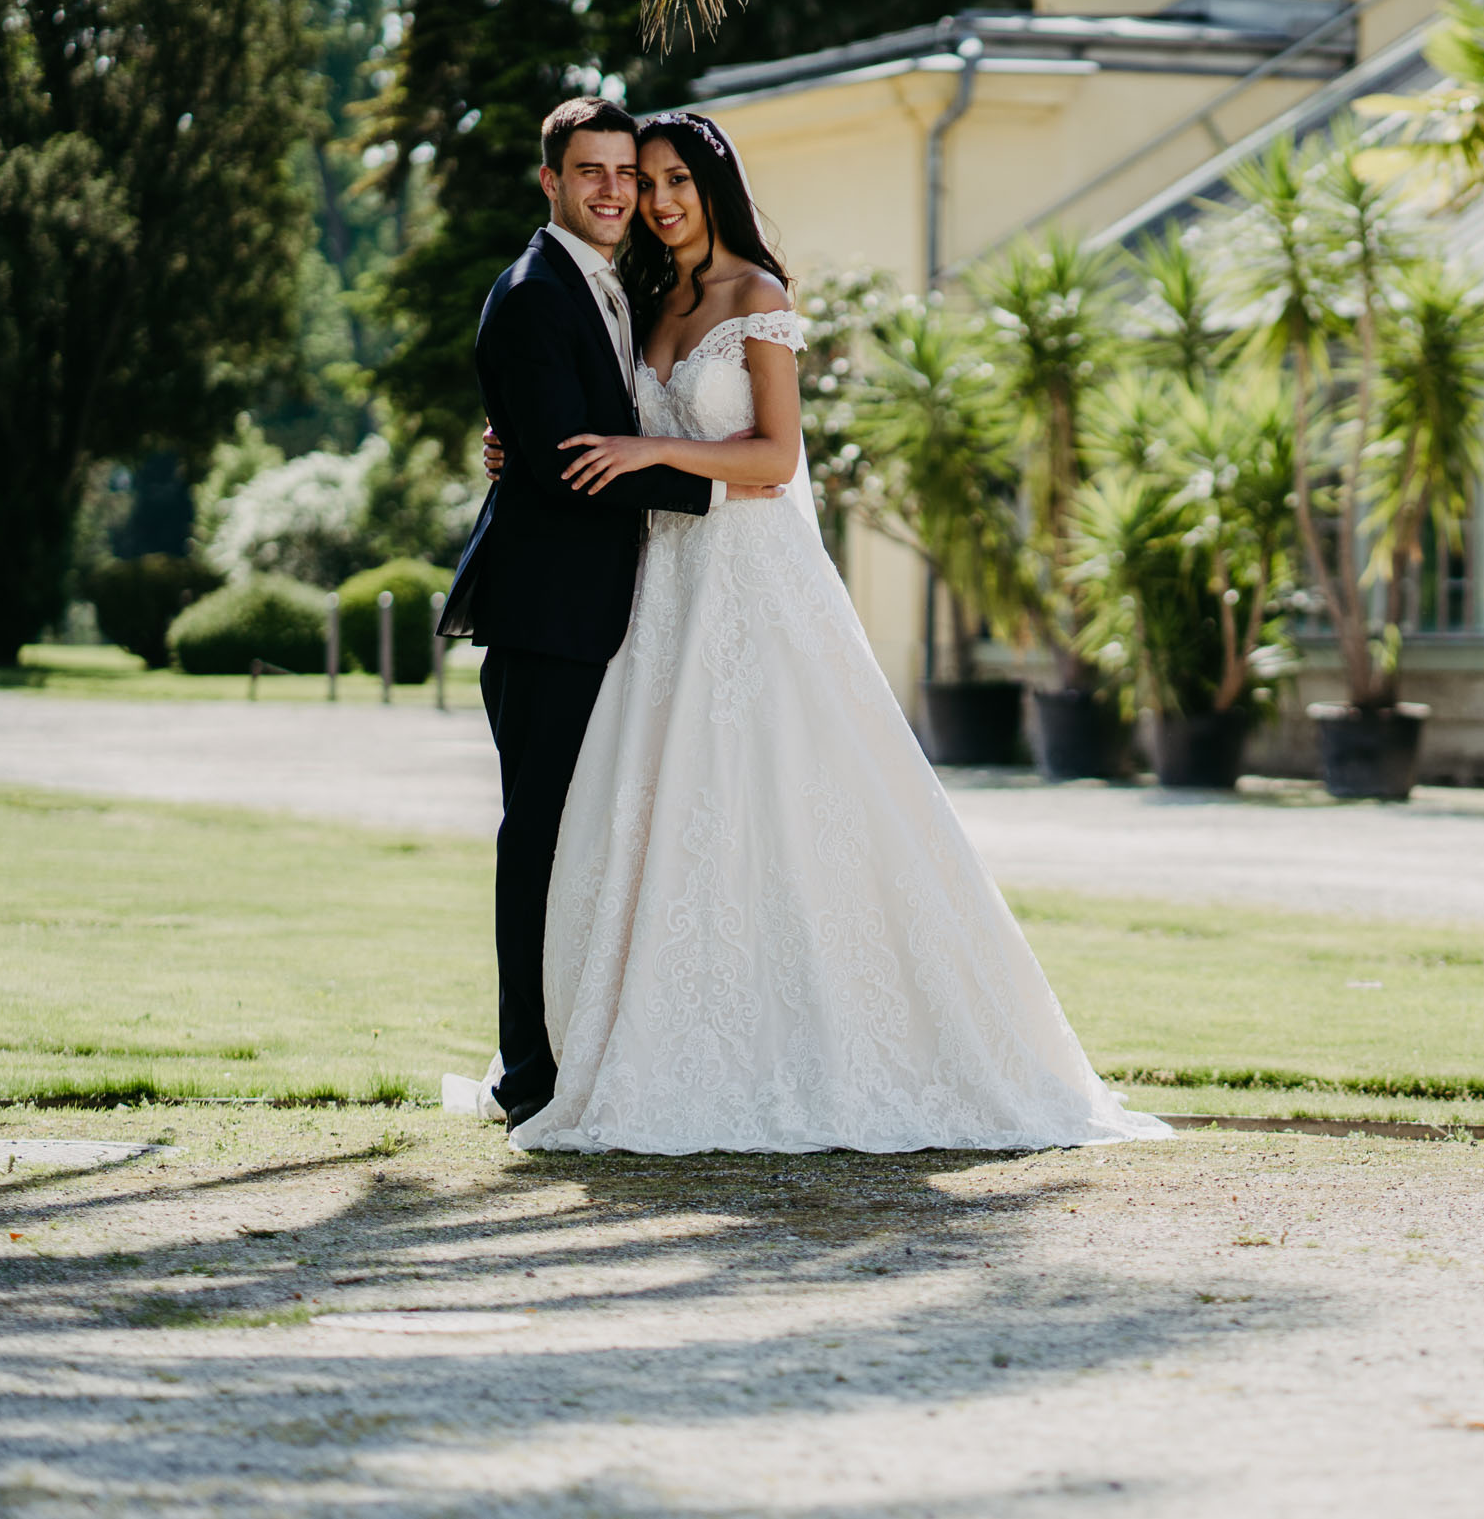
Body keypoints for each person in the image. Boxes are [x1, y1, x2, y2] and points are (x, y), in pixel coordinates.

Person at [469, 108, 1167, 1155]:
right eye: (637, 182)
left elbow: (774, 460)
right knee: (655, 816)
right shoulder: (644, 297)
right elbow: (579, 420)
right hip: (658, 589)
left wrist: (632, 448)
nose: (655, 201)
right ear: (562, 182)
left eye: (671, 183)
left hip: (746, 575)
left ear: (713, 188)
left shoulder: (758, 297)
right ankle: (623, 1037)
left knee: (784, 801)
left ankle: (819, 1042)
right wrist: (520, 449)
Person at [439, 97, 780, 1129]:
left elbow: (596, 426)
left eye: (628, 173)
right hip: (549, 612)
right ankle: (526, 1072)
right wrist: (718, 493)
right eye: (592, 172)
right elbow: (562, 459)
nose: (616, 190)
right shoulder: (533, 291)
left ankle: (615, 1041)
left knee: (614, 836)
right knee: (537, 839)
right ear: (551, 182)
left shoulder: (633, 286)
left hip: (637, 611)